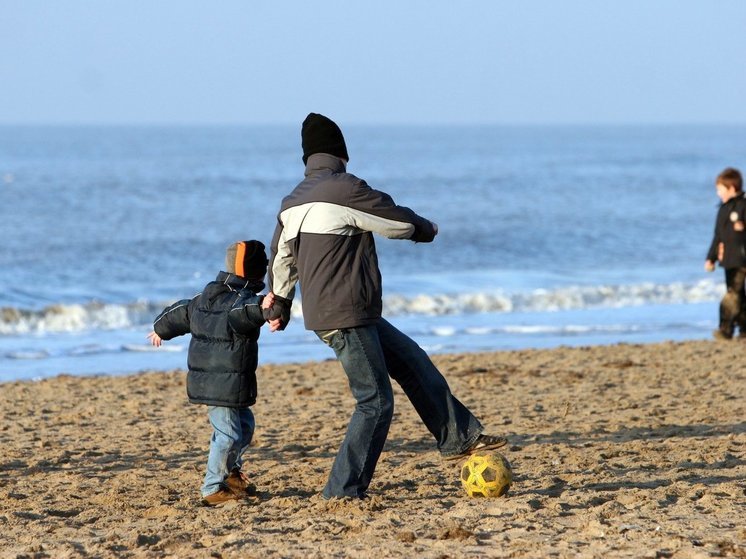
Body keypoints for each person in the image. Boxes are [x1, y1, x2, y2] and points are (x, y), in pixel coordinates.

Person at [263, 113, 507, 500]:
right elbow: (392, 220)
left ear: (307, 158)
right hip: (346, 315)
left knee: (412, 361)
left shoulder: (292, 201)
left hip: (347, 311)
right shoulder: (345, 189)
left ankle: (458, 437)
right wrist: (426, 229)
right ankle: (342, 491)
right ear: (341, 153)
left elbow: (280, 259)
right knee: (375, 402)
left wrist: (280, 306)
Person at [148, 240, 269, 506]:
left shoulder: (205, 298)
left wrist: (160, 328)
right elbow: (247, 312)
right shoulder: (241, 302)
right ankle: (212, 488)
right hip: (220, 385)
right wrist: (266, 309)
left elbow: (180, 311)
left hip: (227, 381)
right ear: (256, 273)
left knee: (244, 428)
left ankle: (232, 474)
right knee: (228, 435)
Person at [705, 167, 746, 340]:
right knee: (738, 294)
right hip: (729, 259)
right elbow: (718, 236)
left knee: (732, 294)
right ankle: (744, 329)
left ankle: (725, 328)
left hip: (743, 257)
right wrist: (711, 258)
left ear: (732, 188)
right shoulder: (723, 209)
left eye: (720, 189)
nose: (718, 193)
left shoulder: (744, 205)